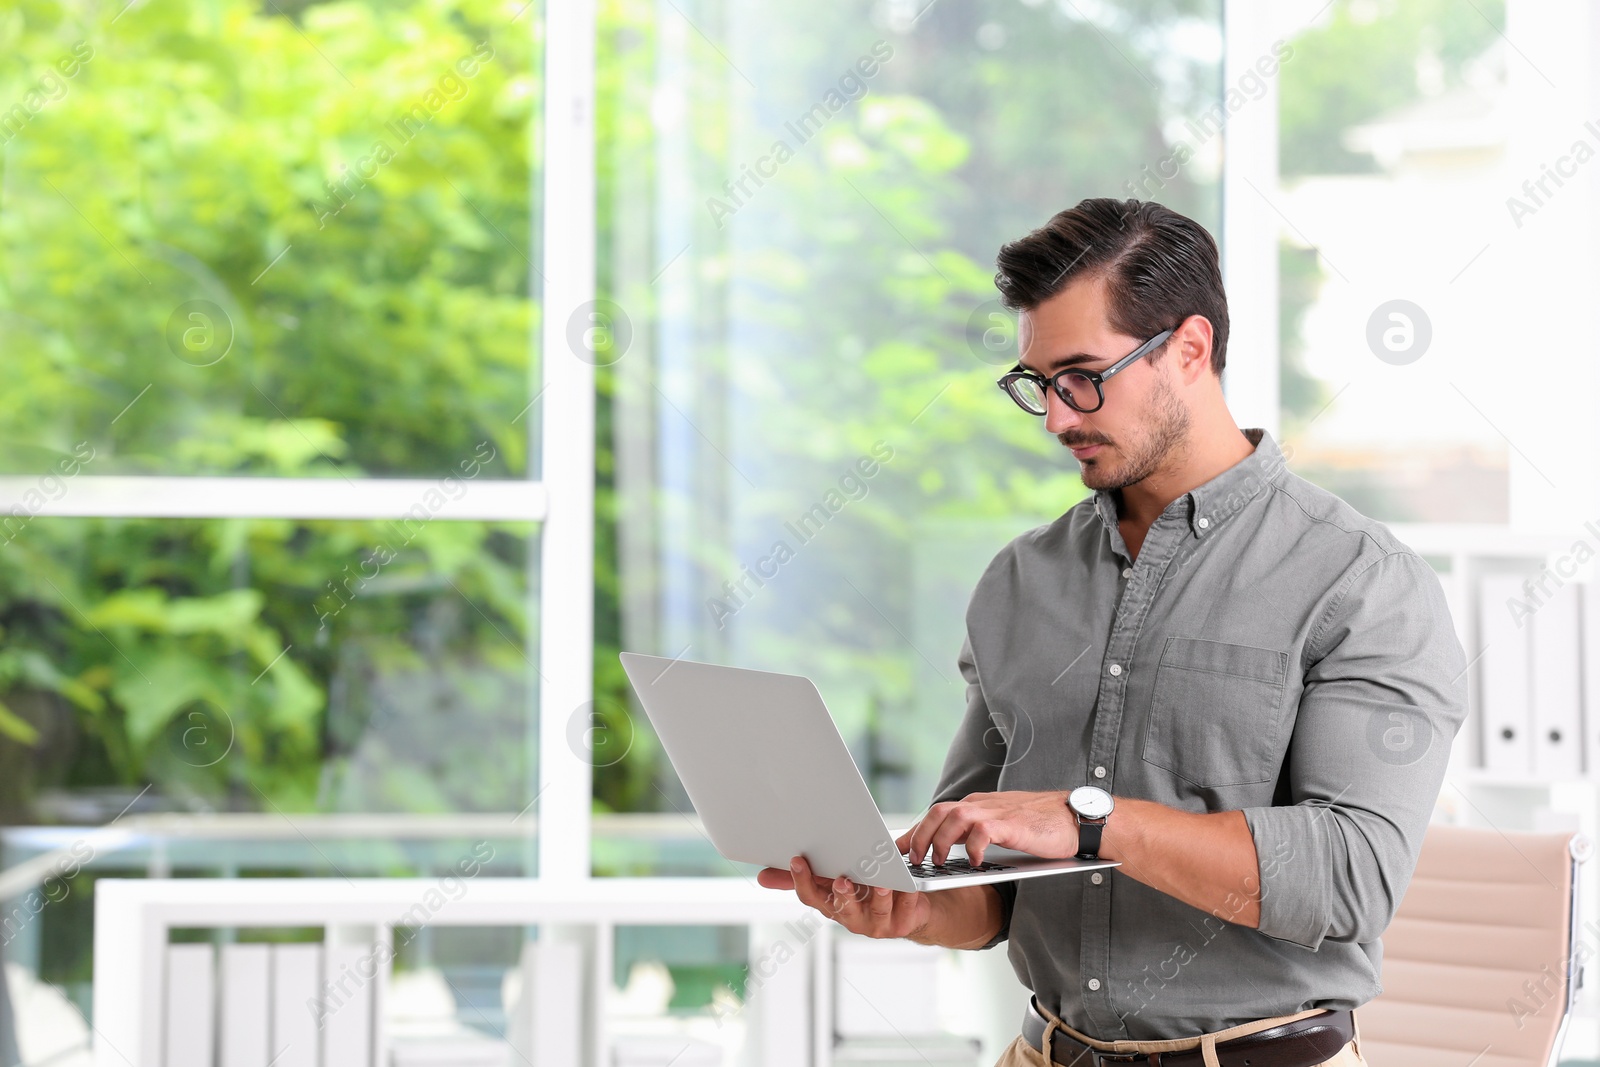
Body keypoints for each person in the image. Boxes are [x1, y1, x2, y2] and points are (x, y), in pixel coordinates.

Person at [757, 198, 1466, 1067]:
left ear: (1189, 348)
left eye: (1083, 375)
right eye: (1039, 385)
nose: (1057, 417)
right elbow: (991, 883)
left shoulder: (1359, 580)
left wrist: (1091, 819)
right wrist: (915, 906)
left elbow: (1352, 875)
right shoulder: (1021, 581)